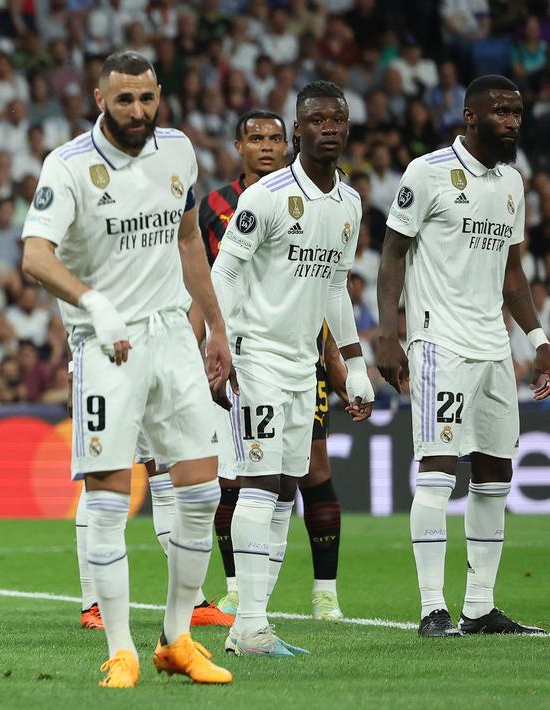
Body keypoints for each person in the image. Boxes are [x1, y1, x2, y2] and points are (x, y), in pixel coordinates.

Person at [22, 50, 233, 687]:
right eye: (124, 100)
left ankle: (175, 639)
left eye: (146, 99)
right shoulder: (68, 166)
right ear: (99, 99)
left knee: (200, 491)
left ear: (158, 95)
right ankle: (121, 649)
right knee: (110, 502)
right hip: (106, 345)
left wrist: (216, 324)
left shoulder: (177, 150)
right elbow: (35, 255)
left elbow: (189, 237)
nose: (137, 111)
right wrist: (93, 304)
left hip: (174, 333)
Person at [376, 74, 549, 638]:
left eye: (517, 112)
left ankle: (479, 607)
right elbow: (392, 256)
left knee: (495, 475)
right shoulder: (425, 174)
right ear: (470, 116)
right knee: (438, 470)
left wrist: (540, 340)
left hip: (493, 347)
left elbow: (513, 272)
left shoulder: (511, 184)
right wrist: (386, 333)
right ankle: (433, 608)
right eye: (501, 111)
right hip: (438, 344)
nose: (513, 121)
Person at [211, 81, 374, 657]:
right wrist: (222, 345)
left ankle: (255, 623)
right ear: (297, 131)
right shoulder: (268, 196)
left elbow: (334, 286)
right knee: (258, 486)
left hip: (304, 365)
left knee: (283, 491)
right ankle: (249, 625)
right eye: (316, 119)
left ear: (347, 129)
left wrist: (354, 362)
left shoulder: (350, 203)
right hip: (256, 358)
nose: (329, 127)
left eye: (338, 119)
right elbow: (224, 275)